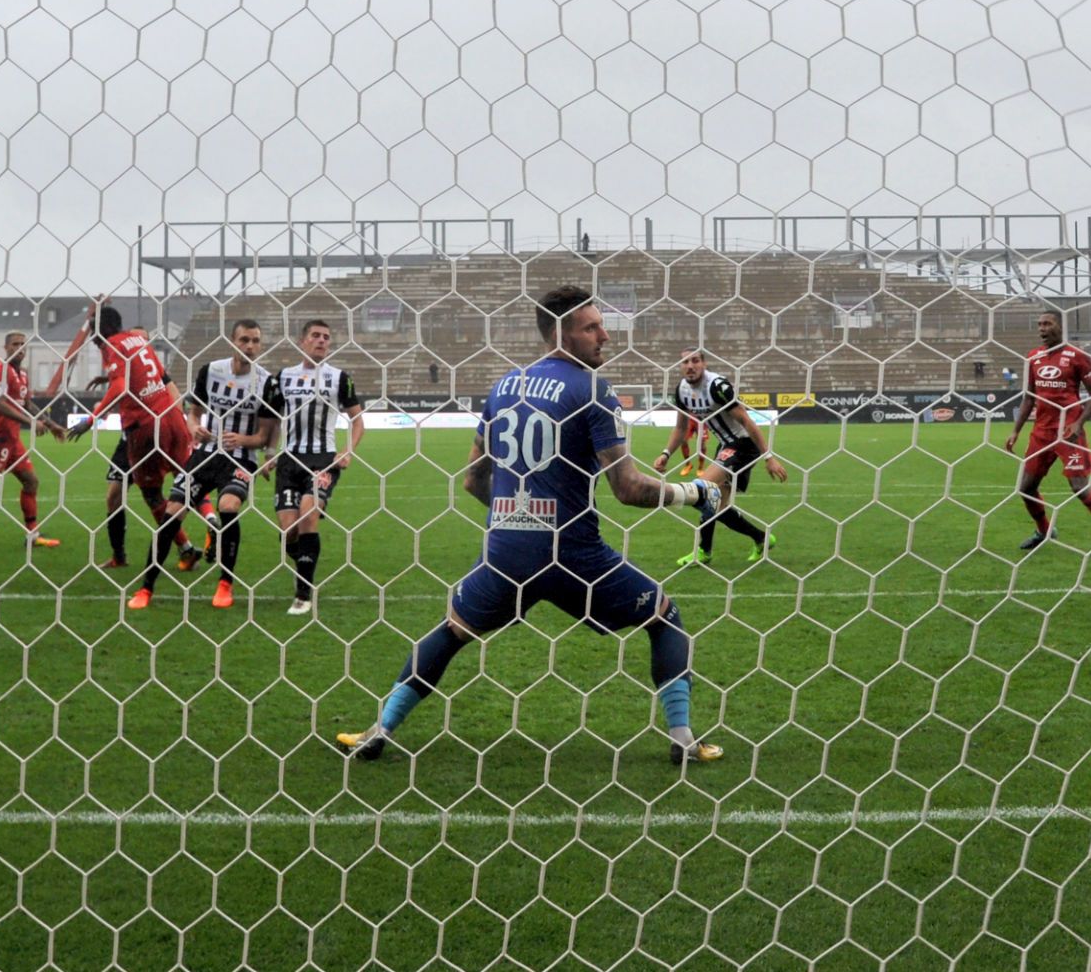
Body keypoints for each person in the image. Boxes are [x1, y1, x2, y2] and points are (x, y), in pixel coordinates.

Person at [334, 285, 725, 765]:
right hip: (575, 554)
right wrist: (694, 492)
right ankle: (683, 739)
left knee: (453, 630)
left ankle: (378, 730)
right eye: (593, 327)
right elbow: (628, 489)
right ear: (561, 333)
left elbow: (475, 477)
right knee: (664, 617)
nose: (606, 335)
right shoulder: (591, 390)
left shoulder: (504, 385)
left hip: (507, 551)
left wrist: (513, 518)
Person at [68, 302, 196, 604]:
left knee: (155, 492)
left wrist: (91, 418)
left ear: (101, 332)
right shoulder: (137, 342)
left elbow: (122, 386)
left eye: (93, 334)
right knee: (124, 493)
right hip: (156, 424)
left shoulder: (114, 344)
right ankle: (121, 555)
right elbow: (132, 378)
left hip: (142, 427)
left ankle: (186, 546)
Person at [1005, 310, 1091, 557]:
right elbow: (1029, 397)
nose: (1042, 328)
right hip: (1041, 432)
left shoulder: (1077, 356)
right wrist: (1016, 431)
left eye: (1047, 323)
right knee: (1026, 487)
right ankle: (1045, 531)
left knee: (1079, 487)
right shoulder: (1034, 357)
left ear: (1060, 326)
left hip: (1069, 431)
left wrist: (1079, 423)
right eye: (1039, 324)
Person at [263, 320, 365, 615]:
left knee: (309, 514)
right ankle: (300, 553)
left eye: (326, 337)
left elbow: (357, 420)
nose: (322, 341)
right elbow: (271, 420)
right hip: (289, 460)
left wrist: (347, 450)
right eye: (316, 336)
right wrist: (270, 453)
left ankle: (303, 594)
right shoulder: (281, 378)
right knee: (290, 530)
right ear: (302, 341)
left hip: (323, 460)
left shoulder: (339, 378)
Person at [175, 319, 276, 610]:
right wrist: (194, 428)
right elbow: (193, 414)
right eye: (245, 340)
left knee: (228, 506)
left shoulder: (266, 381)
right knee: (174, 510)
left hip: (242, 457)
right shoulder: (212, 371)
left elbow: (269, 429)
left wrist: (260, 447)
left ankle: (225, 581)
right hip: (206, 453)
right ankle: (151, 580)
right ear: (233, 341)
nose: (250, 346)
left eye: (255, 341)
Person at [655, 347, 787, 566]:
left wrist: (769, 457)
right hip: (726, 445)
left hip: (744, 445)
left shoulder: (717, 386)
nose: (690, 366)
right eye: (685, 362)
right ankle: (759, 539)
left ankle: (704, 551)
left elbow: (746, 421)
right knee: (715, 505)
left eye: (695, 361)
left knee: (703, 489)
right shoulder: (681, 391)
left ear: (704, 364)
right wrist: (666, 454)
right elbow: (681, 428)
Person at [0, 331, 68, 549]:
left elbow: (26, 404)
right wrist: (31, 422)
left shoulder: (22, 374)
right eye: (15, 344)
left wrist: (51, 425)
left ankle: (32, 535)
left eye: (23, 344)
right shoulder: (1, 371)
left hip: (12, 439)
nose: (20, 348)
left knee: (31, 481)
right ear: (6, 348)